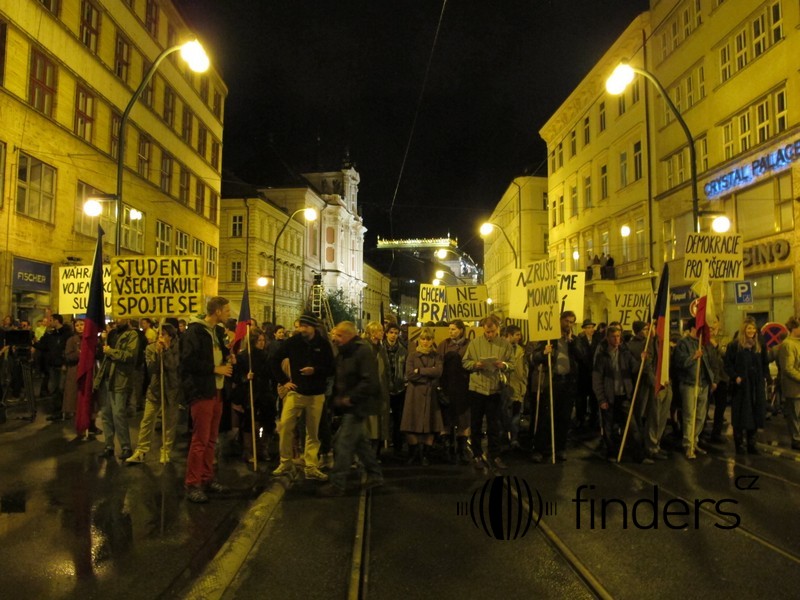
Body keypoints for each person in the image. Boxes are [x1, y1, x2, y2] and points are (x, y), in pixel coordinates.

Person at [318, 321, 383, 497]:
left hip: (357, 405)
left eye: (339, 335)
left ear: (349, 335)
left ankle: (337, 483)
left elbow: (369, 381)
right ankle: (375, 474)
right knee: (360, 444)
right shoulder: (344, 352)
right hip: (349, 405)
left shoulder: (361, 351)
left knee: (343, 443)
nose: (335, 338)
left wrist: (351, 398)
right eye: (335, 335)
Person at [270, 312, 335, 481]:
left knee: (312, 432)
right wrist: (284, 381)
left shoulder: (323, 344)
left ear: (313, 327)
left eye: (305, 326)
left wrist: (315, 370)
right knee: (285, 426)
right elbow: (274, 360)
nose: (301, 329)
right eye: (300, 326)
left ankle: (311, 465)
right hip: (295, 392)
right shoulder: (293, 342)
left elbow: (331, 368)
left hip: (316, 393)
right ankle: (285, 462)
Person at [180, 296, 233, 503]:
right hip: (202, 391)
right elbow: (188, 361)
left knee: (212, 439)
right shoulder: (195, 332)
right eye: (226, 310)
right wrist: (215, 369)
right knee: (200, 440)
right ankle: (193, 483)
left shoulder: (217, 332)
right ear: (217, 311)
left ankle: (207, 477)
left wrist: (228, 356)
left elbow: (218, 353)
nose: (229, 314)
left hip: (217, 390)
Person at [592, 325, 652, 464]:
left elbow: (635, 368)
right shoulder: (602, 357)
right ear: (608, 338)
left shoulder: (625, 354)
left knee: (632, 427)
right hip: (609, 397)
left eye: (618, 336)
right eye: (613, 336)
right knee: (609, 428)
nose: (617, 339)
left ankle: (639, 456)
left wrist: (643, 360)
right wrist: (601, 399)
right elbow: (597, 379)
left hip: (623, 396)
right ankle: (612, 453)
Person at [462, 314, 514, 470]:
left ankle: (494, 454)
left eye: (492, 331)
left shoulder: (505, 345)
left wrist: (503, 365)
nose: (490, 334)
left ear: (497, 329)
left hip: (495, 388)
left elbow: (512, 364)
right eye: (487, 332)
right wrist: (475, 365)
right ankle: (477, 454)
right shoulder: (475, 343)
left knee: (494, 424)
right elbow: (465, 362)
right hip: (477, 388)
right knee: (476, 423)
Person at [531, 311, 582, 463]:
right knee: (546, 417)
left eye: (572, 322)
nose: (569, 325)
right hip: (552, 382)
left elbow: (582, 357)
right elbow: (533, 357)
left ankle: (560, 448)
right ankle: (540, 449)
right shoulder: (548, 338)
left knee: (564, 417)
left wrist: (573, 343)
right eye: (566, 321)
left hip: (568, 383)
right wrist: (543, 353)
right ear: (560, 321)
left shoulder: (574, 340)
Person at [126, 324, 180, 464]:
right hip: (155, 389)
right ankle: (141, 450)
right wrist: (157, 353)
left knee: (169, 423)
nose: (160, 337)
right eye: (159, 334)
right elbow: (151, 368)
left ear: (171, 336)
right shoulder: (150, 348)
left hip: (172, 390)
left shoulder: (177, 348)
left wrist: (166, 351)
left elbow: (173, 366)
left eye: (164, 334)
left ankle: (165, 451)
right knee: (147, 420)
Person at [95, 319, 139, 460]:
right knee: (106, 414)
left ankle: (126, 447)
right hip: (106, 377)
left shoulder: (132, 334)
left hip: (120, 378)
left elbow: (129, 355)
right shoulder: (112, 333)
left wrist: (111, 351)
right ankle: (109, 446)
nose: (118, 319)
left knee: (118, 413)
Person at [673, 317, 715, 459]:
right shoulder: (683, 343)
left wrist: (712, 379)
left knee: (700, 416)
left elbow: (708, 363)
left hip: (703, 384)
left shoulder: (702, 343)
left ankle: (694, 441)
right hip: (689, 383)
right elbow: (680, 363)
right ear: (692, 328)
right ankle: (688, 445)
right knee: (689, 416)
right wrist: (693, 357)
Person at [401, 327, 443, 466]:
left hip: (430, 395)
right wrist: (429, 375)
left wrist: (420, 370)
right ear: (419, 340)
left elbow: (438, 372)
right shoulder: (412, 356)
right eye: (423, 339)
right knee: (411, 424)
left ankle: (425, 454)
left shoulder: (436, 356)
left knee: (430, 424)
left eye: (428, 339)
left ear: (432, 340)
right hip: (414, 394)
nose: (425, 341)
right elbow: (409, 374)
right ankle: (413, 453)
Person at [729, 319, 768, 455]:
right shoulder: (735, 346)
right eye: (749, 328)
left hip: (756, 385)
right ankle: (739, 443)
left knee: (755, 412)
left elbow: (764, 363)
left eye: (753, 328)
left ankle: (752, 444)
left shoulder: (759, 345)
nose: (751, 331)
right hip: (741, 386)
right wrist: (735, 377)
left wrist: (764, 378)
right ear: (744, 329)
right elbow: (728, 363)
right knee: (740, 414)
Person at [438, 319, 471, 463]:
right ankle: (447, 448)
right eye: (449, 329)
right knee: (446, 419)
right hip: (447, 386)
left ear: (461, 330)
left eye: (453, 329)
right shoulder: (444, 344)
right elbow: (439, 363)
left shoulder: (469, 344)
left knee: (463, 419)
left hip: (463, 387)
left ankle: (462, 449)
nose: (450, 332)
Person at [364, 321, 391, 458]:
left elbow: (386, 369)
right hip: (370, 392)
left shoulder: (380, 348)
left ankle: (374, 454)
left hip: (381, 390)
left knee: (379, 424)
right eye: (380, 331)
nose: (382, 333)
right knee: (370, 424)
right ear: (373, 333)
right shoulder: (366, 348)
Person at [384, 322, 408, 457]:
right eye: (391, 332)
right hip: (385, 388)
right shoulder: (381, 349)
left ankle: (397, 445)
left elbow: (405, 368)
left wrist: (404, 381)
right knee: (384, 417)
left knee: (398, 417)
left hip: (399, 388)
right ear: (386, 333)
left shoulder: (403, 350)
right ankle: (383, 443)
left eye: (396, 333)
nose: (393, 335)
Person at [502, 325, 527, 451]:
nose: (519, 337)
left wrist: (524, 382)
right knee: (504, 415)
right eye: (517, 334)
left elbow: (524, 368)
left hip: (518, 386)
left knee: (516, 414)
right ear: (509, 335)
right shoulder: (501, 349)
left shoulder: (520, 350)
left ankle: (514, 439)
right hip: (505, 387)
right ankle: (504, 438)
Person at [777, 317, 800, 451]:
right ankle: (796, 440)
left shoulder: (797, 343)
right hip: (793, 388)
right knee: (795, 415)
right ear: (794, 328)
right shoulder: (788, 344)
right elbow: (788, 368)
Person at [574, 319, 600, 432]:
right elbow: (580, 355)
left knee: (594, 399)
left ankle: (593, 420)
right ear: (584, 329)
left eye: (592, 327)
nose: (591, 329)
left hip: (594, 374)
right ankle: (580, 419)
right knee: (581, 399)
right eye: (588, 327)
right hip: (583, 374)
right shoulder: (580, 341)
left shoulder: (597, 340)